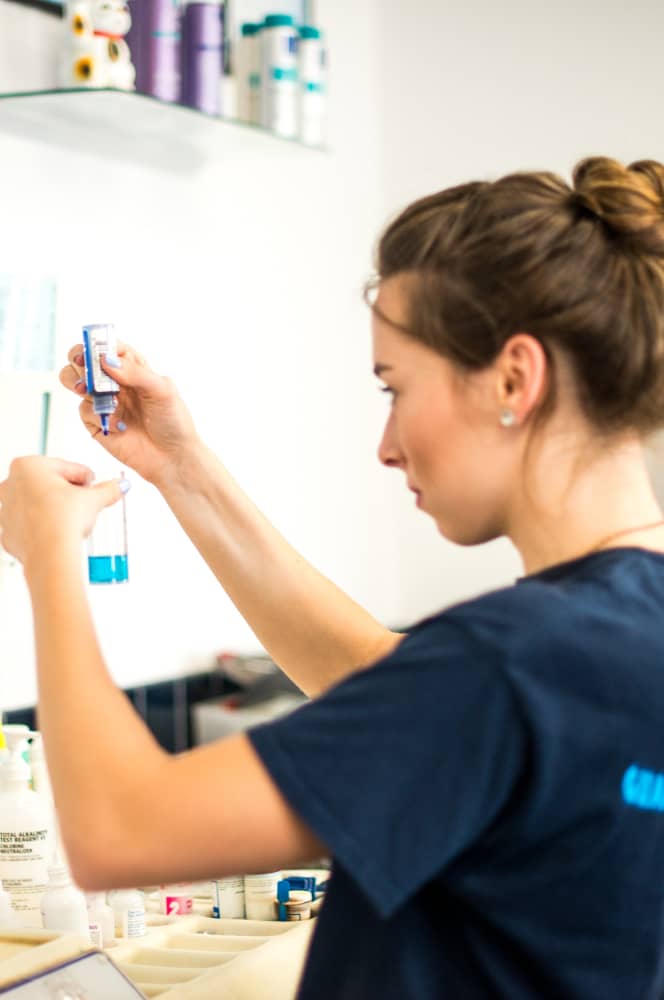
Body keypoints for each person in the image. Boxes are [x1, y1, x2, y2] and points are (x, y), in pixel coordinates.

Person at [1, 154, 664, 999]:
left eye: (395, 387)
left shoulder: (508, 662)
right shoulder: (605, 635)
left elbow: (118, 832)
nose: (386, 446)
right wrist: (181, 468)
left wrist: (47, 554)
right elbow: (382, 677)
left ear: (514, 378)